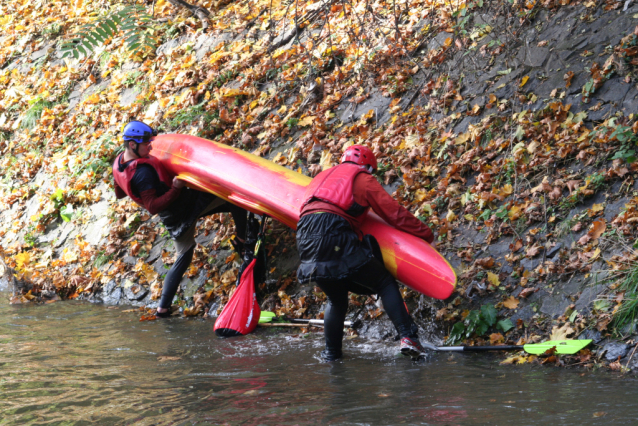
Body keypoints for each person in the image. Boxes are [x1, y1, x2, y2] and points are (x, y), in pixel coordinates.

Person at [296, 145, 435, 361]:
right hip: (333, 233)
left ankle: (331, 355)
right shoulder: (362, 179)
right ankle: (409, 338)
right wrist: (425, 235)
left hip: (304, 238)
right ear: (367, 166)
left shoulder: (320, 177)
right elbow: (394, 214)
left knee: (335, 298)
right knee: (383, 282)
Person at [112, 120, 248, 318]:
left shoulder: (120, 162)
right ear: (132, 145)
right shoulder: (142, 174)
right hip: (181, 206)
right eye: (146, 143)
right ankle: (243, 241)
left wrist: (135, 190)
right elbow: (152, 207)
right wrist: (175, 187)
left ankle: (163, 309)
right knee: (234, 198)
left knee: (184, 255)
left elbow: (119, 192)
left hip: (172, 217)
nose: (150, 146)